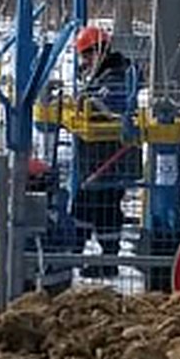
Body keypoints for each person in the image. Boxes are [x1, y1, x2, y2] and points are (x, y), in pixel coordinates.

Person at [72, 25, 138, 278]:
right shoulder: (100, 74)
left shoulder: (116, 75)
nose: (85, 61)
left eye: (87, 56)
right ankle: (87, 255)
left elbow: (111, 106)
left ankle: (99, 258)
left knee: (97, 207)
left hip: (110, 157)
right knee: (92, 208)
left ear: (98, 51)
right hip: (97, 158)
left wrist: (86, 101)